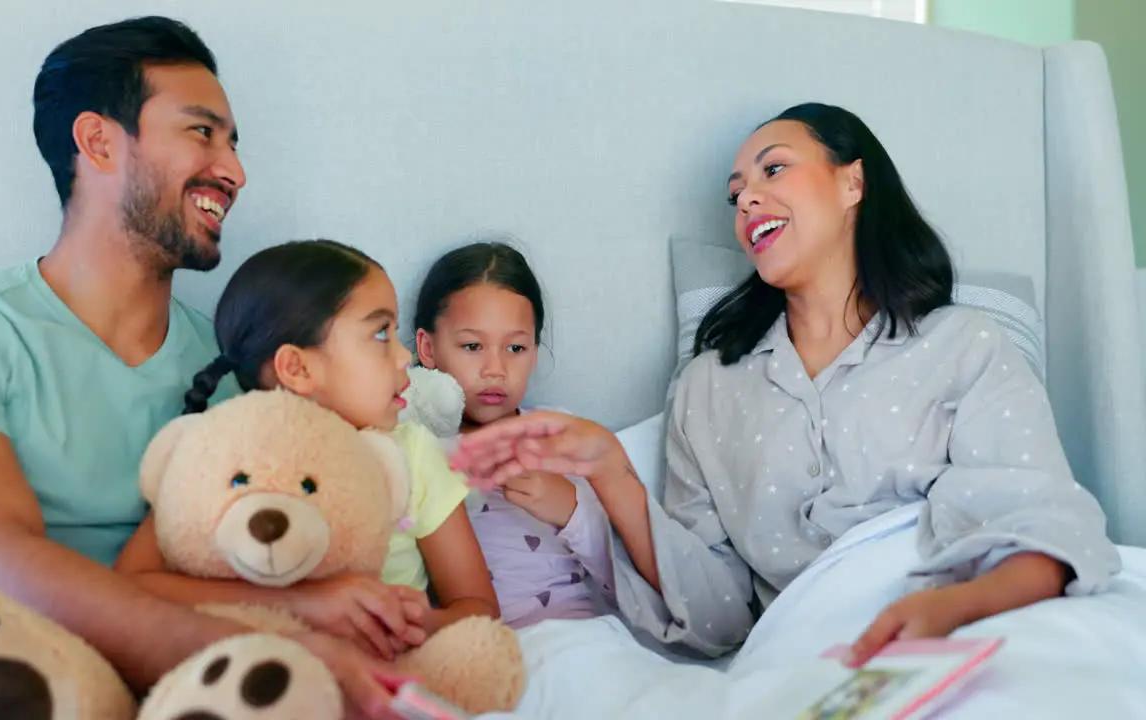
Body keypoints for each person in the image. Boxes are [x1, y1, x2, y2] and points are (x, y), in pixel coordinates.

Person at [449, 102, 1121, 667]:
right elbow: (715, 619)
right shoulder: (708, 387)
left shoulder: (965, 345)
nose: (746, 198)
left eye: (773, 170)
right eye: (736, 191)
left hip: (989, 618)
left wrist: (953, 607)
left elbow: (1045, 527)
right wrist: (612, 473)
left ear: (853, 183)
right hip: (820, 658)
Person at [0, 17, 403, 718]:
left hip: (166, 660)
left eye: (233, 143)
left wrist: (304, 613)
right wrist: (252, 654)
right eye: (202, 132)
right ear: (97, 142)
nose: (234, 171)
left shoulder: (233, 376)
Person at [116, 239, 501, 659]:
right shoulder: (227, 451)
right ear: (297, 368)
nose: (403, 355)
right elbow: (131, 584)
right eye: (380, 333)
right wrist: (304, 606)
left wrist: (413, 620)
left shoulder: (412, 453)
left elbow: (479, 611)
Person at [412, 241, 616, 629]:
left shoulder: (561, 435)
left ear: (535, 352)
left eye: (516, 348)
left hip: (582, 636)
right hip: (481, 650)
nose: (496, 369)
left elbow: (625, 584)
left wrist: (572, 510)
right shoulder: (415, 448)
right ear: (428, 347)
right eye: (472, 346)